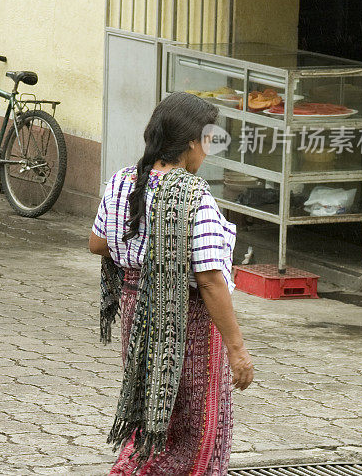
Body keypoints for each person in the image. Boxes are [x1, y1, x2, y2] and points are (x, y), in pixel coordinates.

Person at [89, 92, 253, 475]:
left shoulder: (123, 181)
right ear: (192, 142)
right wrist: (238, 350)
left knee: (152, 413)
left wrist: (146, 260)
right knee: (196, 427)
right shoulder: (195, 197)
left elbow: (97, 243)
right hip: (189, 323)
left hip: (136, 312)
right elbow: (211, 281)